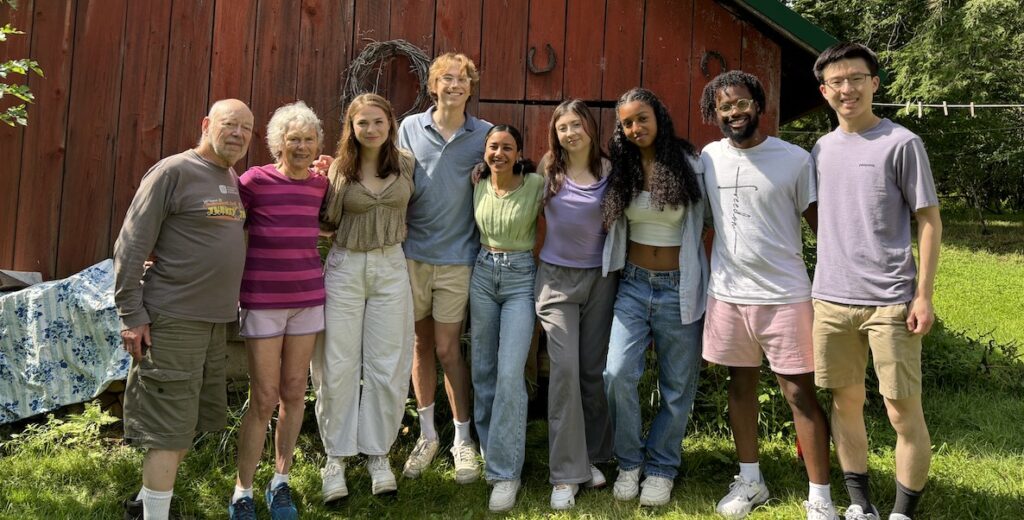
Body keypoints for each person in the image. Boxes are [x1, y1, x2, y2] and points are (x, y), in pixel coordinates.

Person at [811, 43, 941, 520]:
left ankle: (903, 511)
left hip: (890, 300)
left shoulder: (901, 142)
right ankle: (860, 504)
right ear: (825, 92)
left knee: (901, 409)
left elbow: (929, 220)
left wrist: (922, 295)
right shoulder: (821, 148)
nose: (848, 89)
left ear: (874, 82)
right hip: (829, 299)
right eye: (838, 82)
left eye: (857, 78)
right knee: (845, 403)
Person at [698, 71, 835, 520]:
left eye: (741, 103)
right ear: (714, 114)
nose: (734, 112)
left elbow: (822, 228)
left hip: (785, 295)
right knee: (740, 387)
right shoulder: (709, 158)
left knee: (799, 394)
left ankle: (821, 497)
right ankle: (750, 479)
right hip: (728, 294)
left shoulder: (794, 160)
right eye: (724, 107)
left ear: (758, 105)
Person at [114, 99, 254, 520]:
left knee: (181, 421)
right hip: (174, 320)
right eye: (230, 124)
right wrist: (131, 313)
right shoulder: (173, 171)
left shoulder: (229, 177)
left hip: (212, 323)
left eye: (247, 129)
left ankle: (145, 505)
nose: (238, 134)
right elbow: (131, 245)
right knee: (168, 426)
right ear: (206, 123)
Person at [601, 88, 707, 507]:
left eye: (642, 118)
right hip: (632, 284)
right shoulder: (621, 170)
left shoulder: (690, 165)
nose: (635, 128)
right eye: (627, 122)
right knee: (617, 374)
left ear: (658, 117)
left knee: (677, 386)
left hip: (679, 285)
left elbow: (714, 218)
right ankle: (629, 461)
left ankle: (662, 467)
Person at [226, 101, 328, 520]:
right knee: (263, 399)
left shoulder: (322, 185)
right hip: (263, 301)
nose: (301, 146)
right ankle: (242, 491)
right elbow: (221, 222)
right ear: (277, 143)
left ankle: (280, 482)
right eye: (293, 139)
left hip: (307, 300)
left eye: (308, 139)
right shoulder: (254, 181)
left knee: (293, 394)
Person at [315, 93, 417, 500]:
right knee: (336, 363)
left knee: (388, 361)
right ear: (351, 128)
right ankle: (335, 459)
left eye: (378, 121)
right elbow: (323, 221)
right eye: (363, 124)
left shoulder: (406, 163)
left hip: (391, 266)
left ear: (390, 124)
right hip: (346, 267)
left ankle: (378, 454)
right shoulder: (338, 169)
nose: (371, 129)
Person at [397, 52, 491, 482]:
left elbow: (505, 177)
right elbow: (392, 176)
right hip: (413, 254)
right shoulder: (410, 127)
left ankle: (462, 439)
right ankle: (427, 435)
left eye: (462, 79)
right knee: (420, 347)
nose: (454, 85)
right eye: (446, 78)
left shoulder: (484, 135)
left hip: (458, 258)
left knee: (448, 348)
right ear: (433, 85)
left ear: (471, 88)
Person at [534, 100, 615, 510]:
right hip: (555, 281)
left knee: (590, 372)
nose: (570, 133)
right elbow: (506, 189)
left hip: (601, 279)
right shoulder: (546, 171)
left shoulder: (611, 171)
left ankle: (595, 457)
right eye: (563, 127)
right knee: (563, 370)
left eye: (576, 124)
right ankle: (566, 473)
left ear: (590, 127)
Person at [468, 124, 544, 512]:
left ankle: (505, 473)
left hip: (519, 278)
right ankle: (489, 449)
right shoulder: (478, 182)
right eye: (493, 146)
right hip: (482, 272)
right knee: (481, 369)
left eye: (507, 147)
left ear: (518, 153)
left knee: (510, 372)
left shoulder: (534, 184)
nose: (499, 153)